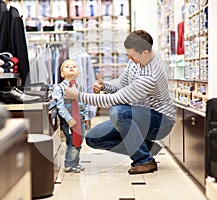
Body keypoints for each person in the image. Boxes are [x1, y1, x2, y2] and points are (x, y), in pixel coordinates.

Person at [65, 30, 175, 174]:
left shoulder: (150, 76)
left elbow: (114, 99)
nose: (129, 58)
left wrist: (78, 95)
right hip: (138, 115)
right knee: (93, 138)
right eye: (128, 54)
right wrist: (105, 86)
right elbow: (121, 83)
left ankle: (144, 160)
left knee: (118, 111)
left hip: (161, 121)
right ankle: (146, 147)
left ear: (146, 52)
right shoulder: (138, 60)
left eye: (132, 55)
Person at [50, 59, 88, 173]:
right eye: (67, 67)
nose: (71, 68)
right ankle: (69, 164)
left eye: (74, 66)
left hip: (79, 118)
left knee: (79, 141)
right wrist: (69, 119)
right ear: (62, 74)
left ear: (78, 72)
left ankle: (75, 162)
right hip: (68, 120)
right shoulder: (59, 88)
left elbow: (84, 102)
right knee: (72, 142)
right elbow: (60, 106)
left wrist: (85, 117)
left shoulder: (80, 86)